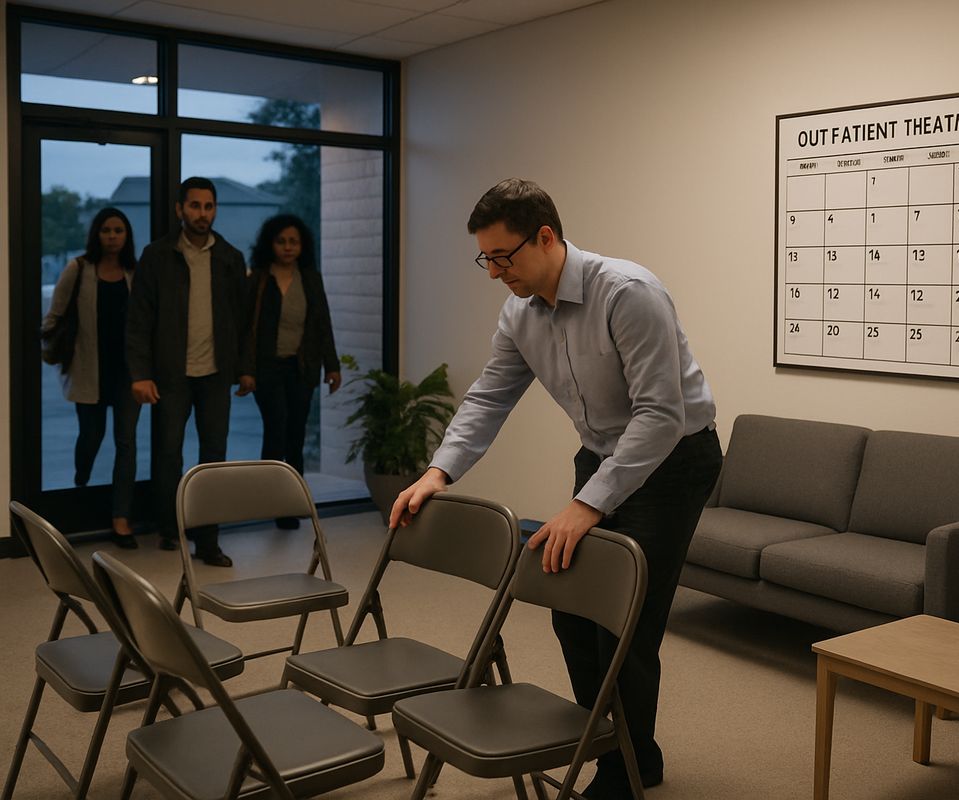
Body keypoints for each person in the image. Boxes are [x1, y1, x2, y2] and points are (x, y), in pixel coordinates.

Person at [390, 178, 722, 799]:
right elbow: (489, 397)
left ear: (545, 237)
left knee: (624, 621)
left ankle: (622, 771)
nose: (495, 273)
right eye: (486, 259)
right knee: (571, 608)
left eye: (503, 257)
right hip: (601, 456)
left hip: (673, 461)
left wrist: (586, 504)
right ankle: (624, 749)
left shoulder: (627, 293)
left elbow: (660, 415)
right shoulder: (519, 311)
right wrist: (438, 472)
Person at [126, 176, 249, 567]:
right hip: (170, 375)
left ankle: (208, 541)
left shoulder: (230, 257)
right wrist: (140, 373)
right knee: (168, 455)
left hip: (216, 374)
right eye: (195, 206)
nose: (202, 214)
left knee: (214, 459)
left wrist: (246, 369)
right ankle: (170, 528)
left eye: (208, 206)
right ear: (180, 209)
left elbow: (243, 320)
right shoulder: (157, 256)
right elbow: (138, 320)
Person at [42, 208, 142, 548]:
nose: (112, 236)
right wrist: (51, 352)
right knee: (91, 436)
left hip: (127, 372)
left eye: (118, 230)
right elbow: (54, 315)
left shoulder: (134, 271)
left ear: (126, 235)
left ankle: (121, 518)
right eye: (106, 230)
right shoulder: (79, 268)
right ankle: (81, 481)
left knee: (126, 443)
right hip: (89, 368)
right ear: (96, 234)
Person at [242, 214, 341, 529]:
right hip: (267, 368)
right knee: (276, 430)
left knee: (296, 434)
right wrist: (245, 370)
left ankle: (294, 501)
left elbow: (323, 324)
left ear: (302, 246)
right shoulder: (257, 279)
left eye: (293, 242)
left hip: (302, 368)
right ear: (270, 244)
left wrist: (332, 365)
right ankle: (272, 501)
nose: (288, 247)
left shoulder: (310, 278)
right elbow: (246, 329)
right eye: (281, 241)